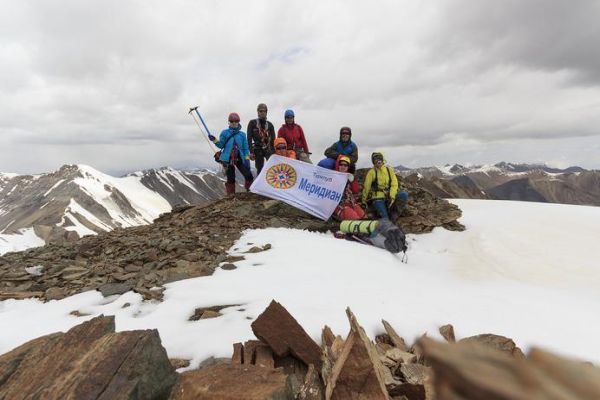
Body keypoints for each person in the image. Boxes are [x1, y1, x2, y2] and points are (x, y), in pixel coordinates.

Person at [208, 112, 253, 196]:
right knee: (231, 178)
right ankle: (231, 196)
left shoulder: (242, 135)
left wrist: (247, 158)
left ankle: (249, 191)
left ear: (238, 122)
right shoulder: (224, 133)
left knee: (248, 175)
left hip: (240, 158)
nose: (234, 123)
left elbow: (245, 148)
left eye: (236, 121)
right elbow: (221, 145)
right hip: (228, 159)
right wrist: (214, 140)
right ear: (229, 122)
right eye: (232, 121)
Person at [361, 152, 409, 219]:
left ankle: (395, 214)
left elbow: (394, 184)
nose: (378, 161)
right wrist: (363, 201)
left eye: (379, 159)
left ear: (382, 160)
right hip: (377, 198)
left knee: (403, 195)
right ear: (373, 162)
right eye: (375, 159)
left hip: (389, 195)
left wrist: (392, 196)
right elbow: (367, 187)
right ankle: (384, 216)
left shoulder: (389, 170)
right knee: (385, 217)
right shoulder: (371, 172)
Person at [247, 103, 276, 175]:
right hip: (257, 148)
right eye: (261, 111)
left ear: (266, 112)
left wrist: (274, 152)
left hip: (268, 148)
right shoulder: (252, 123)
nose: (262, 113)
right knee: (259, 168)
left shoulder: (270, 125)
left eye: (264, 111)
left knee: (272, 167)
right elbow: (249, 138)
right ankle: (259, 185)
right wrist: (251, 152)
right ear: (258, 112)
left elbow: (273, 139)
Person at [333, 155, 365, 220]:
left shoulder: (350, 176)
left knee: (362, 215)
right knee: (352, 215)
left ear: (348, 167)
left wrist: (353, 181)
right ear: (338, 165)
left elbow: (355, 191)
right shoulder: (333, 176)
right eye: (341, 164)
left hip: (351, 203)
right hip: (339, 205)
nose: (343, 167)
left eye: (345, 165)